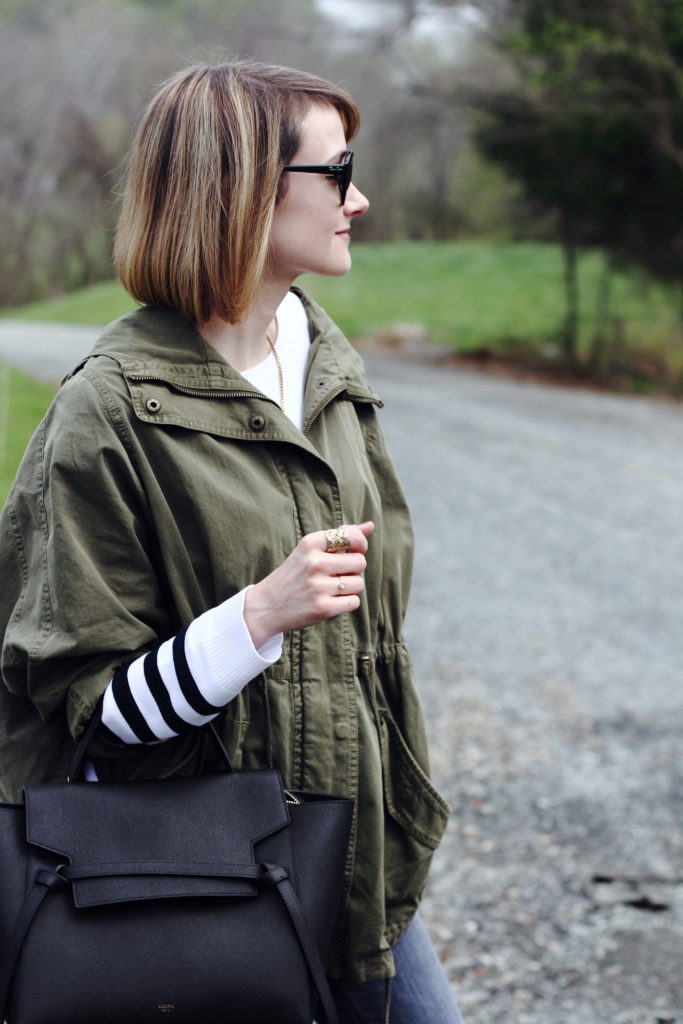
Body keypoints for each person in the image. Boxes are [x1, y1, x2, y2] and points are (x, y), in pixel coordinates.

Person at [0, 59, 463, 1023]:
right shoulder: (107, 413)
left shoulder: (327, 367)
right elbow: (89, 712)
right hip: (202, 881)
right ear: (243, 186)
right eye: (335, 174)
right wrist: (258, 615)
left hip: (359, 854)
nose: (360, 198)